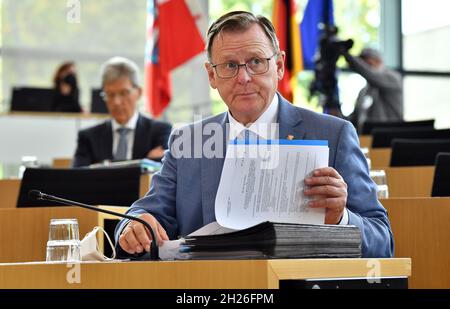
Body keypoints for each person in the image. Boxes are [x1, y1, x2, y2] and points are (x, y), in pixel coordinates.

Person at [114, 11, 394, 258]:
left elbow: (383, 243)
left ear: (280, 66)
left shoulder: (335, 134)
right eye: (229, 65)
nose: (244, 77)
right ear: (211, 75)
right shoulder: (188, 142)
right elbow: (143, 215)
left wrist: (340, 219)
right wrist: (134, 226)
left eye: (256, 61)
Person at [72, 57, 172, 167]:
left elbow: (164, 172)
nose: (116, 102)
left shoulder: (160, 132)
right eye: (110, 94)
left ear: (138, 92)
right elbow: (77, 178)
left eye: (124, 93)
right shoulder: (88, 138)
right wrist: (145, 161)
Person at [343, 47, 403, 133]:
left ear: (378, 61)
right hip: (366, 140)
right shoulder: (363, 91)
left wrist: (347, 56)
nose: (364, 68)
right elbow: (354, 119)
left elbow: (371, 75)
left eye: (368, 65)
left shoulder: (393, 79)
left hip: (390, 136)